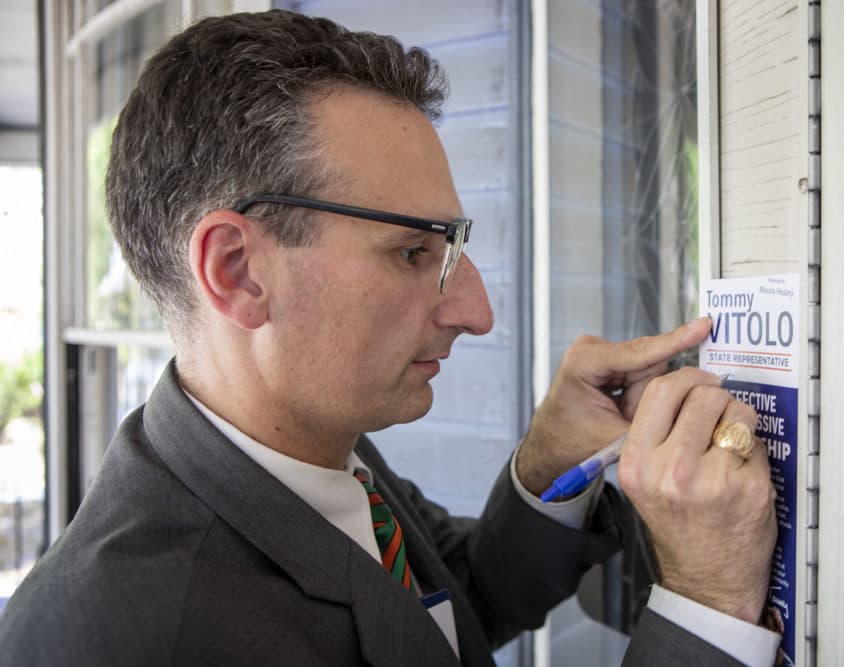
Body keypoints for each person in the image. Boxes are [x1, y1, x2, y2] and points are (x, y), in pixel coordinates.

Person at [0, 10, 778, 666]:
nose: (476, 311)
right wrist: (707, 604)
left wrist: (547, 465)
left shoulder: (311, 444)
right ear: (237, 271)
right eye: (414, 253)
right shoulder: (134, 638)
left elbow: (445, 604)